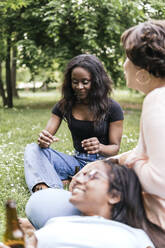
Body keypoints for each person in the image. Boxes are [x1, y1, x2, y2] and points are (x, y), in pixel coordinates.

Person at [2, 160, 165, 248]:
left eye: (92, 176)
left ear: (115, 195)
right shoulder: (56, 223)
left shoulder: (134, 237)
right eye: (81, 175)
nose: (78, 179)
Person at [24, 54, 124, 193]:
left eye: (85, 82)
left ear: (96, 81)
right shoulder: (65, 105)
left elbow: (115, 148)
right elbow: (46, 137)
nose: (79, 86)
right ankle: (47, 191)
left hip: (101, 165)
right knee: (32, 149)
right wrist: (44, 141)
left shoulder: (113, 108)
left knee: (110, 182)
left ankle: (66, 180)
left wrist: (99, 147)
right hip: (77, 162)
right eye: (75, 82)